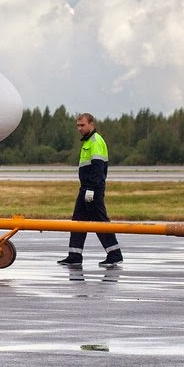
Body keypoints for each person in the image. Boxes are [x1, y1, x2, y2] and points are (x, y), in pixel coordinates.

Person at [58, 113, 122, 267]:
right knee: (78, 221)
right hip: (85, 188)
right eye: (78, 125)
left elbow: (98, 169)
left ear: (91, 124)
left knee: (100, 222)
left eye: (82, 125)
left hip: (93, 189)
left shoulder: (95, 141)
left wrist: (92, 189)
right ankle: (74, 255)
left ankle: (114, 254)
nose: (79, 128)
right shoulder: (88, 142)